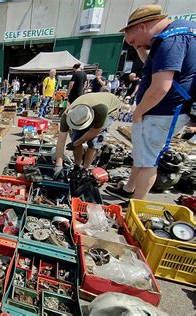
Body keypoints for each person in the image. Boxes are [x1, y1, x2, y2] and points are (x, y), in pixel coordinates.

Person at [107, 4, 195, 201]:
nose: (132, 45)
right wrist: (140, 46)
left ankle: (135, 208)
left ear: (142, 26)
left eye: (132, 40)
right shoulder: (180, 33)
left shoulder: (171, 39)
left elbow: (161, 87)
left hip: (163, 111)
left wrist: (139, 111)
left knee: (148, 162)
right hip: (165, 110)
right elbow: (152, 65)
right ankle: (129, 189)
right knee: (142, 154)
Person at [54, 92, 120, 172]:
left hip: (110, 108)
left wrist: (75, 144)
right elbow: (61, 141)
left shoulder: (101, 110)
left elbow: (94, 132)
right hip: (90, 105)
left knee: (94, 141)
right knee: (76, 137)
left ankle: (85, 168)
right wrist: (58, 165)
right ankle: (77, 166)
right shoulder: (67, 116)